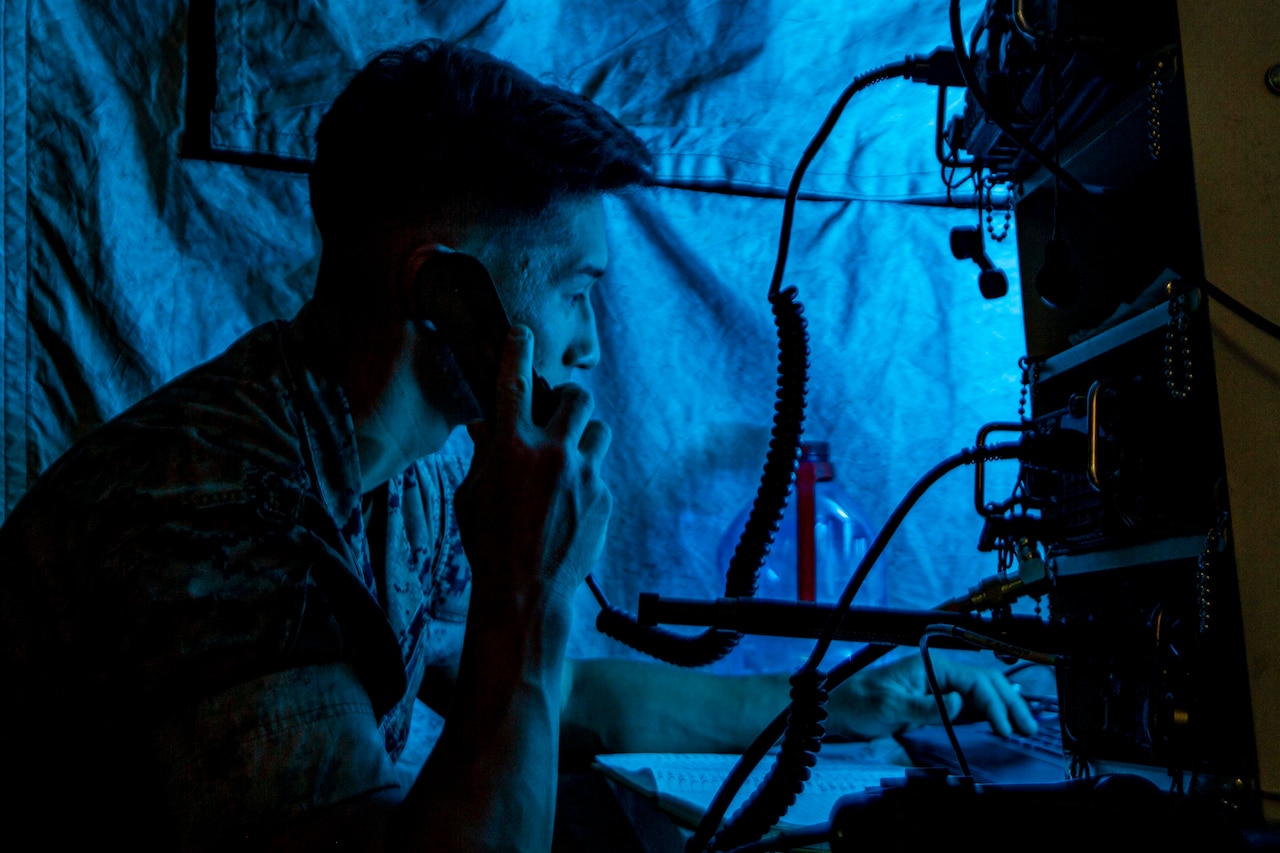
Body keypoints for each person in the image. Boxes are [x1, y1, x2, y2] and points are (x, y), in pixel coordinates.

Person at [0, 39, 1036, 850]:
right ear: (447, 292)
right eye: (577, 292)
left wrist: (835, 701)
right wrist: (528, 594)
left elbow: (558, 694)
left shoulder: (391, 474)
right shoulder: (220, 512)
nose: (589, 347)